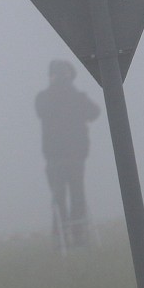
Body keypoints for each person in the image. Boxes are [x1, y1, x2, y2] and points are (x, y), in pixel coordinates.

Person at [34, 59, 101, 250]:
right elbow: (42, 111)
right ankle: (68, 237)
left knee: (69, 196)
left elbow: (94, 112)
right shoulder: (50, 98)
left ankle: (70, 237)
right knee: (64, 196)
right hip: (61, 156)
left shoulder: (65, 97)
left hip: (69, 156)